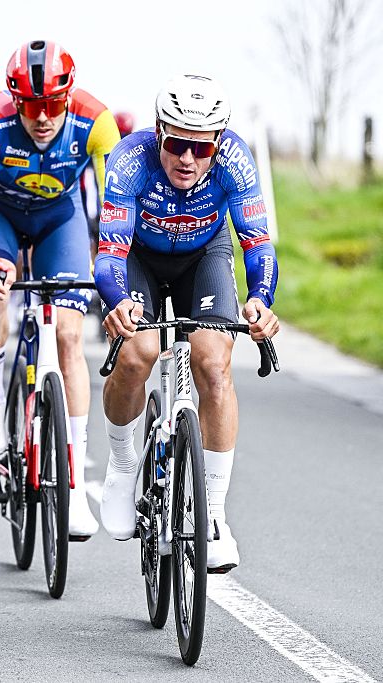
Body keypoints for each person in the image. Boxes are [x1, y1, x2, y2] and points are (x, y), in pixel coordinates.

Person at [94, 74, 279, 571]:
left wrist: (261, 299)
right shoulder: (130, 160)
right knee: (137, 354)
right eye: (176, 144)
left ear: (217, 143)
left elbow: (257, 244)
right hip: (141, 259)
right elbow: (109, 251)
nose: (188, 159)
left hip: (205, 256)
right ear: (159, 133)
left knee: (214, 364)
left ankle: (213, 513)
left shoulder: (236, 163)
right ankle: (122, 461)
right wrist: (117, 300)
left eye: (201, 148)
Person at [0, 40, 120, 540]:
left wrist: (115, 259)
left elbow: (117, 204)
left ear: (68, 98)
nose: (44, 117)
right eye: (32, 107)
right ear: (16, 101)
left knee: (70, 336)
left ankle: (72, 483)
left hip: (60, 224)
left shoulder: (97, 121)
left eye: (53, 104)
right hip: (2, 222)